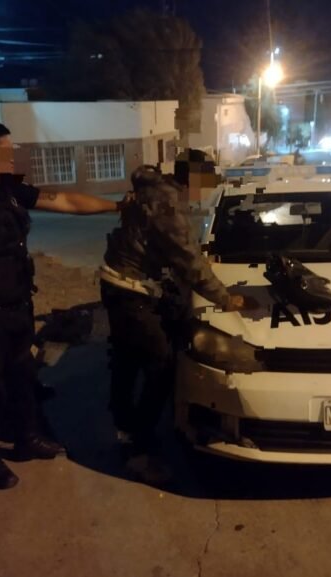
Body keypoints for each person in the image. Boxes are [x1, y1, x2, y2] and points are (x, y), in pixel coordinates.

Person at [0, 119, 120, 490]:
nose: (15, 158)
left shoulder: (6, 191)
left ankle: (26, 440)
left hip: (16, 309)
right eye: (8, 151)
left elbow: (63, 200)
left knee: (22, 381)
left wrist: (119, 205)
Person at [100, 165, 248, 483]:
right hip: (131, 291)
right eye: (204, 185)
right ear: (192, 180)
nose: (203, 194)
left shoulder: (153, 192)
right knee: (161, 365)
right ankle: (138, 445)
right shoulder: (167, 201)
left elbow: (172, 250)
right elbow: (188, 259)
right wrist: (225, 299)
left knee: (126, 360)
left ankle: (124, 427)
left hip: (119, 286)